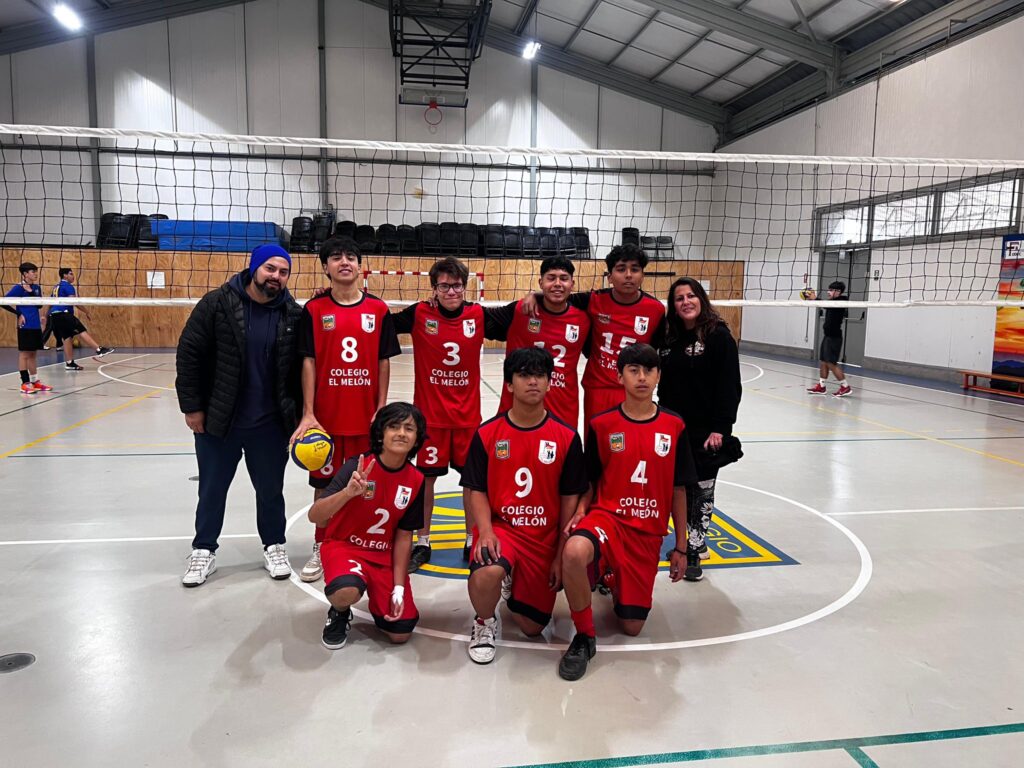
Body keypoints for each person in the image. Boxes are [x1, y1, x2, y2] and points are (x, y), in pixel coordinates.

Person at [558, 343, 696, 681]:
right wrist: (581, 511)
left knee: (632, 627)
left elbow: (679, 490)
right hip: (608, 519)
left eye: (649, 370)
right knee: (574, 551)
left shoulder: (675, 425)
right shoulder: (602, 424)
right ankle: (584, 636)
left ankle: (608, 574)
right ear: (619, 377)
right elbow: (591, 481)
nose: (642, 377)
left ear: (658, 376)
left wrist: (681, 547)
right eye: (633, 370)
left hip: (647, 532)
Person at [175, 244, 303, 587]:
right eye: (270, 268)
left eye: (283, 272)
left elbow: (300, 369)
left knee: (271, 491)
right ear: (254, 268)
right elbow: (189, 354)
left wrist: (298, 416)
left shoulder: (293, 314)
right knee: (212, 490)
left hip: (270, 424)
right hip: (220, 420)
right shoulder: (216, 303)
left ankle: (274, 545)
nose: (276, 276)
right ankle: (203, 550)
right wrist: (192, 406)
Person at [459, 347, 587, 664]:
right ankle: (484, 622)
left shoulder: (567, 437)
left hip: (543, 538)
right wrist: (485, 531)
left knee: (532, 627)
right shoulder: (487, 433)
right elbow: (476, 489)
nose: (533, 381)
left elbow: (569, 500)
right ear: (509, 384)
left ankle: (513, 578)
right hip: (503, 529)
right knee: (487, 571)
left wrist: (560, 553)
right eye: (524, 375)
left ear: (549, 383)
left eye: (540, 375)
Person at [293, 236, 400, 583]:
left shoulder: (378, 310)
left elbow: (384, 361)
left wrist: (381, 407)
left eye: (351, 257)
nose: (344, 262)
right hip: (326, 420)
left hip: (365, 420)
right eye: (336, 257)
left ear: (359, 265)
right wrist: (309, 412)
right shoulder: (313, 310)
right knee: (324, 485)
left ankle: (361, 542)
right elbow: (308, 361)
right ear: (325, 267)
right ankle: (321, 544)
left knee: (366, 485)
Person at [393, 256, 507, 572]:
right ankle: (423, 542)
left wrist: (535, 299)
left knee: (472, 483)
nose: (451, 291)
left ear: (464, 286)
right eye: (444, 286)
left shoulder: (478, 315)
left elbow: (515, 318)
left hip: (468, 420)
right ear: (434, 288)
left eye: (456, 285)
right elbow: (381, 322)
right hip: (430, 421)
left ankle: (472, 540)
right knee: (424, 481)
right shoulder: (419, 313)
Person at [309, 402, 427, 650]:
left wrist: (398, 587)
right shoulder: (357, 466)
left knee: (400, 632)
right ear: (381, 433)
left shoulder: (416, 480)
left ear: (417, 439)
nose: (401, 433)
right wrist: (347, 493)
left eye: (409, 428)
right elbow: (315, 515)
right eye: (394, 426)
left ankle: (378, 597)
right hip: (345, 548)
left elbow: (404, 537)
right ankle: (340, 611)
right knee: (346, 591)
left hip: (383, 556)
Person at [521, 244, 665, 435]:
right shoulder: (593, 300)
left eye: (635, 269)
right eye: (621, 269)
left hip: (633, 389)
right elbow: (558, 295)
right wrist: (534, 294)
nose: (628, 275)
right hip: (598, 389)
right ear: (610, 277)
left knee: (630, 443)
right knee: (596, 444)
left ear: (643, 275)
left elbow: (654, 355)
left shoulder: (656, 309)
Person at [657, 277, 742, 580]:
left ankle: (695, 550)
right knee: (677, 488)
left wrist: (721, 428)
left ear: (701, 299)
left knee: (702, 491)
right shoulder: (668, 337)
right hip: (672, 427)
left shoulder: (718, 336)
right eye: (679, 298)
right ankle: (681, 541)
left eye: (691, 296)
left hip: (707, 430)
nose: (686, 302)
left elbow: (730, 386)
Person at [488, 256, 591, 429]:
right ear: (540, 283)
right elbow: (477, 317)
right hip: (516, 410)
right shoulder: (520, 311)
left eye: (564, 278)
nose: (557, 284)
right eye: (551, 278)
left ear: (572, 284)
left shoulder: (584, 320)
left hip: (562, 411)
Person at [48, 268, 114, 370]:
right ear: (65, 275)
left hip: (55, 315)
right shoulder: (68, 286)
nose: (73, 276)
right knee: (81, 330)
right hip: (64, 314)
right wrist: (86, 311)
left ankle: (69, 363)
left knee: (67, 338)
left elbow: (49, 302)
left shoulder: (56, 287)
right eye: (71, 274)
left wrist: (45, 315)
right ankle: (99, 349)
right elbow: (74, 302)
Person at [3, 262, 53, 394]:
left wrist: (33, 294)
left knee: (33, 354)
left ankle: (35, 382)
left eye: (36, 271)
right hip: (25, 326)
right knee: (24, 354)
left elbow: (39, 305)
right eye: (33, 272)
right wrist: (19, 314)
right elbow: (3, 302)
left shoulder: (36, 287)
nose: (35, 274)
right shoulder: (19, 288)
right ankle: (25, 383)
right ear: (25, 274)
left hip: (35, 324)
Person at [804, 281, 851, 397]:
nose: (828, 292)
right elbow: (826, 304)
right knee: (824, 362)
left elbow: (826, 304)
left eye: (831, 290)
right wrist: (812, 298)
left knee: (831, 363)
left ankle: (845, 387)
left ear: (838, 292)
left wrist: (815, 298)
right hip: (828, 336)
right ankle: (821, 386)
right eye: (828, 289)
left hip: (834, 338)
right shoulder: (831, 301)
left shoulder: (842, 301)